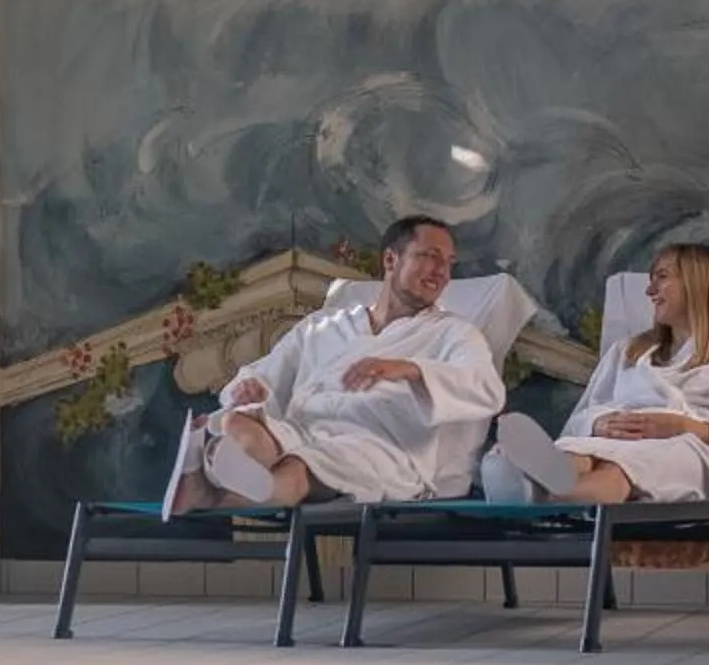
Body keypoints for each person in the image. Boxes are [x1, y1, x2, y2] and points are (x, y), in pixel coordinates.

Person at [167, 216, 507, 512]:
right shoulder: (325, 326)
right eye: (430, 257)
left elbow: (486, 388)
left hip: (379, 448)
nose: (442, 272)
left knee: (298, 469)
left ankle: (211, 490)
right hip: (303, 430)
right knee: (237, 422)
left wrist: (411, 369)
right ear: (391, 260)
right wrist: (247, 388)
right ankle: (221, 482)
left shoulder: (455, 333)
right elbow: (266, 374)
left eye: (448, 262)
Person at [483, 242, 709, 509]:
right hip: (614, 443)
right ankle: (525, 475)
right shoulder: (629, 351)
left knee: (621, 468)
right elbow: (580, 418)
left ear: (699, 284)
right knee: (579, 454)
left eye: (662, 278)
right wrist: (598, 422)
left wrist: (687, 426)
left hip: (693, 453)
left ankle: (537, 496)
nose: (650, 291)